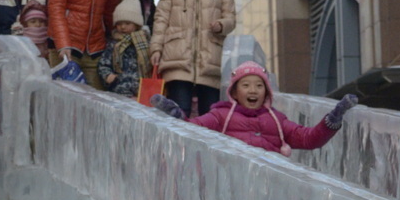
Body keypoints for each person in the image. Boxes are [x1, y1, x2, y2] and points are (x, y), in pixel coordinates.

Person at [151, 61, 356, 155]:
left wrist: (333, 119)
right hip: (231, 181)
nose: (253, 91)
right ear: (235, 92)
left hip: (271, 187)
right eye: (246, 85)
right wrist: (176, 114)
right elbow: (193, 129)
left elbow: (309, 139)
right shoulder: (220, 115)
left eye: (259, 86)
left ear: (266, 92)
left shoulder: (277, 120)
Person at [149, 0, 236, 116]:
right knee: (178, 114)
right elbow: (161, 17)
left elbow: (231, 18)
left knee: (210, 117)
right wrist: (156, 48)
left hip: (210, 62)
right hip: (177, 59)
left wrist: (221, 25)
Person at [99, 0, 152, 97]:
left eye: (127, 23)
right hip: (119, 90)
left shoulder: (146, 43)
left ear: (136, 24)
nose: (123, 27)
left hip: (142, 90)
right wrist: (108, 76)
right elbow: (104, 64)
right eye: (119, 23)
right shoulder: (114, 44)